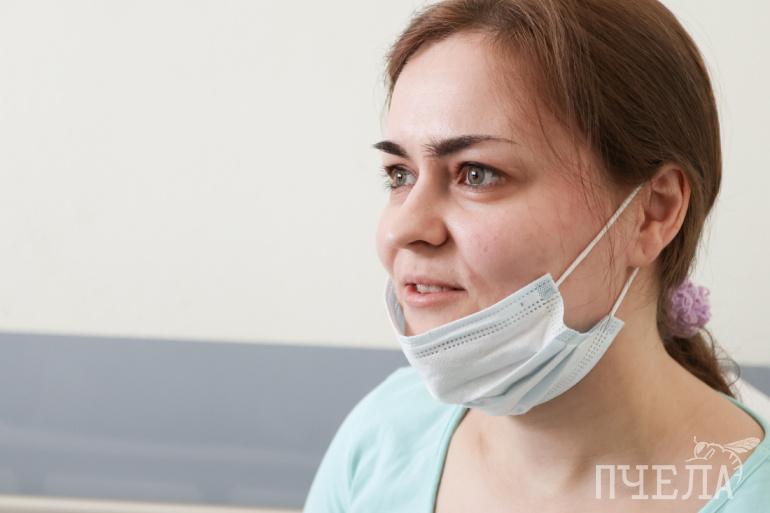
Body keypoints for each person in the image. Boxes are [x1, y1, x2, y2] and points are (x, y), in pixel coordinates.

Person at [303, 0, 769, 511]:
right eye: (400, 175)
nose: (402, 229)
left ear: (653, 212)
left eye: (476, 173)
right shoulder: (384, 435)